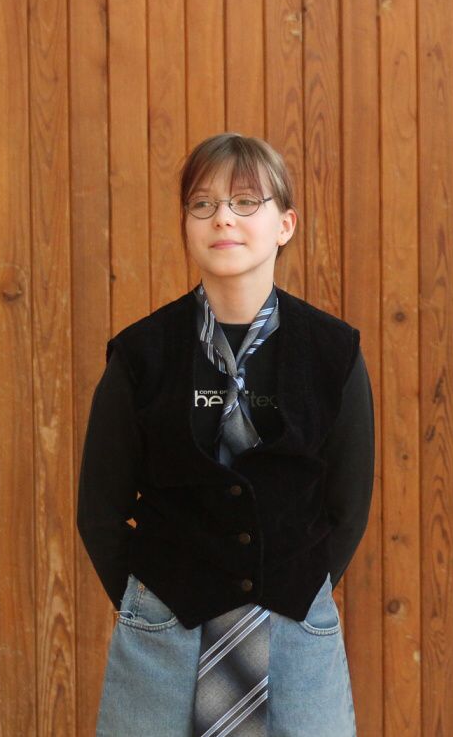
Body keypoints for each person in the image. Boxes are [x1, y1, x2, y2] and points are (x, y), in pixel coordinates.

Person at [78, 133, 373, 737]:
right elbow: (100, 512)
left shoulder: (333, 352)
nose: (223, 219)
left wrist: (293, 586)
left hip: (297, 630)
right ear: (186, 225)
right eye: (203, 204)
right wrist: (150, 601)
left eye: (245, 202)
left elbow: (347, 509)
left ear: (285, 224)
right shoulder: (139, 354)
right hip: (163, 633)